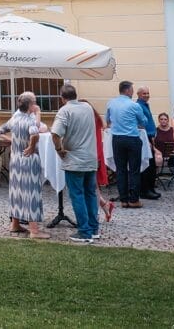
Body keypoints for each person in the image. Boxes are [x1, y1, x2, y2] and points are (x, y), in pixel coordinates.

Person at [51, 84, 100, 243]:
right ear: (76, 94)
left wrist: (59, 149)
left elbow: (55, 134)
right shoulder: (87, 107)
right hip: (90, 157)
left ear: (62, 98)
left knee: (77, 195)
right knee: (91, 194)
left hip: (74, 159)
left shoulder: (64, 110)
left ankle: (84, 231)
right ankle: (93, 228)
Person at [0, 92, 49, 239]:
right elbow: (35, 133)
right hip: (28, 160)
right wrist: (32, 146)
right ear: (31, 105)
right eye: (35, 102)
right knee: (31, 192)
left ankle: (15, 224)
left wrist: (11, 141)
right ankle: (34, 230)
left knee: (16, 191)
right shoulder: (29, 120)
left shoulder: (14, 118)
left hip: (15, 159)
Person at [105, 80, 148, 208]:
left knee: (121, 170)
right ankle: (134, 199)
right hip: (132, 138)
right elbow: (143, 122)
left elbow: (108, 120)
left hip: (117, 139)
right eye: (132, 90)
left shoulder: (111, 103)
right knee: (134, 170)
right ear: (128, 90)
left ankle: (123, 199)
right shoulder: (134, 105)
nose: (133, 92)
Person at [136, 86, 161, 200]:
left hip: (150, 138)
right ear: (138, 94)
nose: (146, 95)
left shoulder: (145, 105)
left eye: (147, 93)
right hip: (144, 138)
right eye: (144, 93)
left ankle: (150, 188)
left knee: (151, 166)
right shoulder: (139, 106)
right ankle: (145, 190)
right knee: (147, 165)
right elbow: (141, 124)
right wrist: (148, 140)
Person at [91, 106, 115, 223]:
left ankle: (97, 212)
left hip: (92, 153)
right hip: (97, 152)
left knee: (92, 185)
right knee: (93, 185)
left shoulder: (90, 120)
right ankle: (105, 206)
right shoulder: (96, 120)